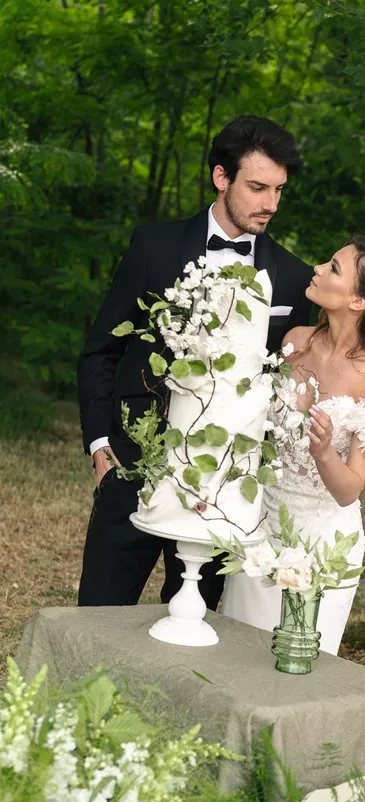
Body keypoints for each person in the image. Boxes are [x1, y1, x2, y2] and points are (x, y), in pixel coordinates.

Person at [77, 115, 312, 608]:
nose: (270, 203)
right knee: (100, 609)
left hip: (224, 481)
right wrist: (101, 445)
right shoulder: (153, 247)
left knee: (194, 625)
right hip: (136, 459)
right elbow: (103, 349)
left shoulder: (293, 277)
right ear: (221, 177)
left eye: (279, 190)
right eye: (257, 187)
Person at [220, 235, 365, 655]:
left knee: (294, 671)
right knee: (236, 655)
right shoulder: (296, 340)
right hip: (261, 524)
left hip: (322, 546)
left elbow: (349, 490)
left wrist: (324, 450)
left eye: (333, 268)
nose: (318, 269)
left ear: (360, 301)